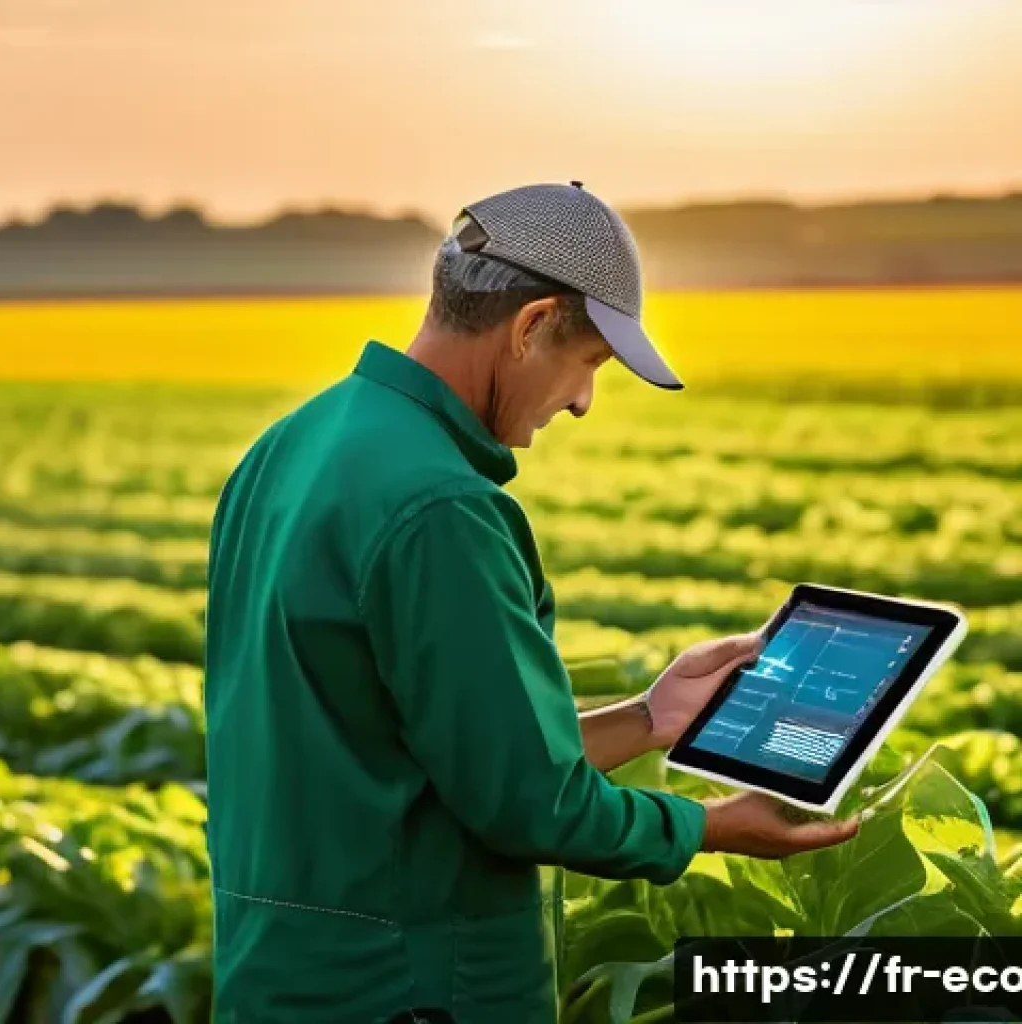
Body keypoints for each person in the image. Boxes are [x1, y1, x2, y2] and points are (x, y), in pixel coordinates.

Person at [202, 181, 861, 1024]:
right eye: (588, 363)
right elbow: (526, 808)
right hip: (412, 989)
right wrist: (710, 829)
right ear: (528, 325)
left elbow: (439, 759)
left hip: (282, 975)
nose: (582, 400)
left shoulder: (290, 447)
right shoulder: (441, 507)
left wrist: (653, 718)